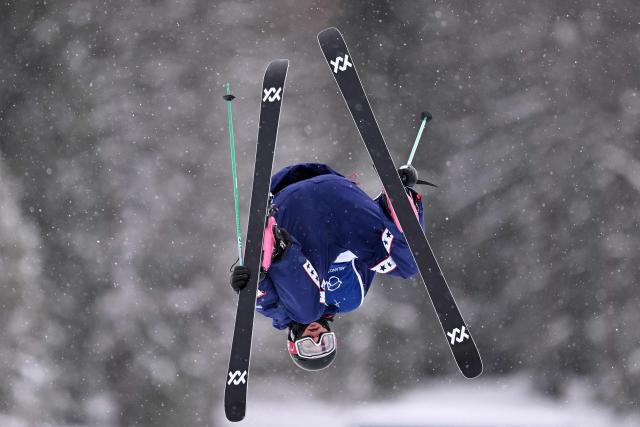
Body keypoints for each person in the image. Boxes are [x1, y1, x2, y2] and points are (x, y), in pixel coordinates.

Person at [230, 163, 427, 371]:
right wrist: (389, 205)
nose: (316, 337)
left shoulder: (278, 310)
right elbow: (374, 252)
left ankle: (276, 246)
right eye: (325, 343)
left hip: (294, 215)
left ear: (292, 340)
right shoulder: (351, 297)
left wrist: (247, 282)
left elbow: (261, 295)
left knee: (305, 313)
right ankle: (399, 204)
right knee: (408, 265)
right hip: (340, 199)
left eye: (308, 346)